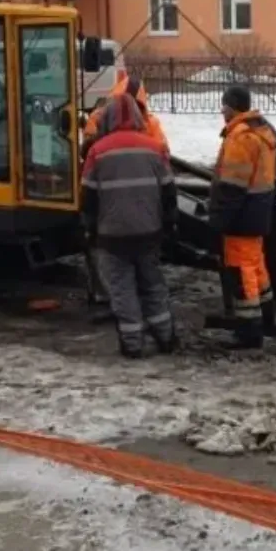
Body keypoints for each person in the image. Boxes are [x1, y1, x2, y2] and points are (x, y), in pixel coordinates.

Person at [81, 93, 179, 358]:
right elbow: (170, 193)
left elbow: (88, 198)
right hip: (149, 231)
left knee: (122, 288)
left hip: (112, 235)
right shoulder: (154, 147)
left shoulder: (97, 152)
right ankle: (166, 337)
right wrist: (168, 224)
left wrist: (90, 229)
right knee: (153, 283)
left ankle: (133, 343)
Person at [208, 85, 276, 350]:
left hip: (241, 215)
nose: (221, 109)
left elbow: (232, 186)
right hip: (259, 211)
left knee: (241, 271)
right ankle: (266, 316)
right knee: (256, 266)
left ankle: (249, 331)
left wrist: (218, 219)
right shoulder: (263, 130)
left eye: (224, 104)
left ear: (233, 106)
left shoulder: (240, 137)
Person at [81, 74, 169, 159]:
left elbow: (163, 153)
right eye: (122, 102)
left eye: (132, 103)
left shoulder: (152, 123)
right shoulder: (96, 119)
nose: (127, 107)